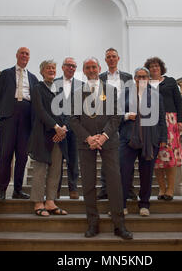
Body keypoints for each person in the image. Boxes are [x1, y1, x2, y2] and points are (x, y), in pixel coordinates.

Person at [70, 58, 133, 240]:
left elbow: (117, 115)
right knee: (88, 183)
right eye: (87, 67)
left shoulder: (112, 90)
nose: (91, 70)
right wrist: (88, 138)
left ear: (99, 69)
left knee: (114, 183)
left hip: (109, 140)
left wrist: (104, 136)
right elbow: (73, 119)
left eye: (94, 67)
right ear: (84, 70)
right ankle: (93, 223)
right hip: (86, 142)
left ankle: (119, 225)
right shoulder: (76, 93)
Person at [119, 67, 167, 216]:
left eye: (144, 77)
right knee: (124, 172)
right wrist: (126, 116)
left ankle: (144, 204)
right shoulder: (125, 94)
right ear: (134, 78)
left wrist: (163, 138)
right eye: (138, 77)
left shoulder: (156, 95)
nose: (141, 79)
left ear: (148, 79)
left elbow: (161, 118)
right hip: (127, 139)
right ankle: (122, 204)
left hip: (150, 139)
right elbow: (115, 114)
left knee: (146, 173)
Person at [0, 47, 38, 201]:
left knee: (22, 156)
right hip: (9, 117)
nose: (24, 56)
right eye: (22, 53)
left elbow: (36, 100)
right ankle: (2, 190)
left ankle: (17, 190)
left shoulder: (33, 78)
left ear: (29, 57)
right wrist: (4, 111)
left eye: (27, 54)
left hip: (26, 118)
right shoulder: (6, 74)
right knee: (5, 155)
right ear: (17, 55)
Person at [28, 60, 69, 216]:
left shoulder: (59, 89)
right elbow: (40, 111)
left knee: (56, 169)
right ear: (42, 71)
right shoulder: (37, 88)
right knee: (40, 169)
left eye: (53, 68)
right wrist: (55, 127)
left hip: (58, 136)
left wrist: (64, 127)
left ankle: (50, 201)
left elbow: (65, 111)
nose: (51, 70)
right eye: (48, 68)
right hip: (42, 134)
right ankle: (38, 203)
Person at [98, 47, 136, 201]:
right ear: (106, 60)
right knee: (106, 154)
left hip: (126, 119)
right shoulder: (100, 78)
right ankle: (104, 189)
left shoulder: (128, 77)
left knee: (128, 156)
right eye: (109, 57)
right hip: (108, 120)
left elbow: (132, 97)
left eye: (114, 56)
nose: (112, 59)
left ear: (118, 58)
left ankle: (130, 189)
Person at [145, 57, 182, 201]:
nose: (154, 68)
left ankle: (170, 189)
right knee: (156, 157)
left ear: (161, 68)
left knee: (171, 157)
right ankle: (161, 188)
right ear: (148, 70)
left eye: (156, 66)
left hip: (170, 121)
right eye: (151, 66)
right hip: (152, 122)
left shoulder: (170, 81)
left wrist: (181, 120)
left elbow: (179, 101)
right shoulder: (145, 84)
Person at [55, 57, 83, 200]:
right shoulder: (54, 84)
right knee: (57, 161)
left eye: (73, 66)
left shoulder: (81, 85)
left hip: (74, 128)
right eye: (68, 65)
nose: (71, 68)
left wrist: (68, 125)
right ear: (63, 67)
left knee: (73, 160)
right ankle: (56, 190)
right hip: (57, 129)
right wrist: (59, 126)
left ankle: (73, 189)